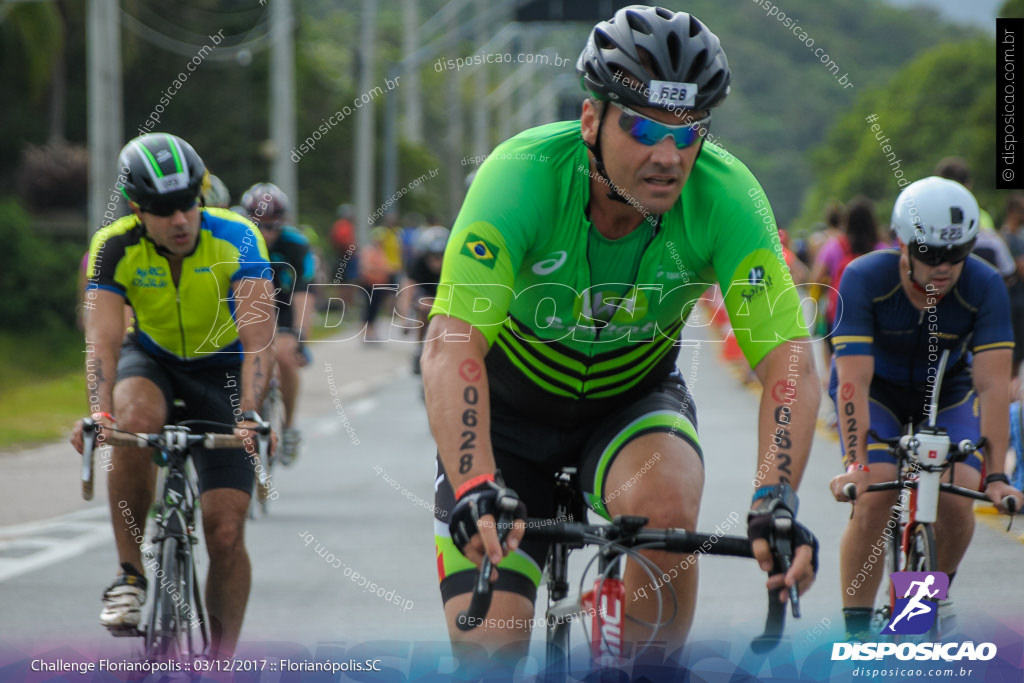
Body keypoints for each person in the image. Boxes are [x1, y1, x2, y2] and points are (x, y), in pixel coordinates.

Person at [422, 5, 820, 668]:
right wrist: (472, 481)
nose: (668, 155)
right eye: (641, 127)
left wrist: (773, 496)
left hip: (629, 403)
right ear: (590, 119)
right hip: (508, 418)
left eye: (688, 133)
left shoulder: (727, 196)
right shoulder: (520, 173)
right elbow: (451, 341)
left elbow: (788, 360)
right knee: (488, 654)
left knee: (667, 505)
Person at [70, 133, 276, 658]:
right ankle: (129, 575)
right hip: (153, 359)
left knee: (225, 531)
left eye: (188, 203)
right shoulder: (112, 246)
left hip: (224, 369)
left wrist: (250, 414)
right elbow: (103, 342)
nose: (180, 220)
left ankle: (220, 663)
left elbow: (258, 341)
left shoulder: (240, 236)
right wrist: (99, 412)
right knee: (131, 419)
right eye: (163, 210)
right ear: (137, 210)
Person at [828, 177, 1024, 641]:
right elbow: (852, 379)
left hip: (946, 390)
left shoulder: (984, 283)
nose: (944, 267)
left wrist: (997, 476)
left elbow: (994, 384)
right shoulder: (863, 277)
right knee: (874, 497)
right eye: (930, 253)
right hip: (877, 391)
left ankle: (919, 602)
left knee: (960, 500)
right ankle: (856, 633)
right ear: (903, 244)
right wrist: (856, 465)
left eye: (956, 255)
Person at [240, 183, 314, 465]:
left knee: (283, 354)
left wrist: (299, 337)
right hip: (248, 306)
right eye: (259, 226)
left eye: (273, 227)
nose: (266, 234)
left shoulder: (296, 244)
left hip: (284, 307)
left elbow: (303, 295)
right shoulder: (236, 239)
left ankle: (290, 423)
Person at [403, 225, 448, 374]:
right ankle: (420, 347)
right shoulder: (419, 265)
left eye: (440, 256)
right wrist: (405, 318)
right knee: (424, 307)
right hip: (426, 296)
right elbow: (407, 290)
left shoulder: (453, 264)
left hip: (446, 296)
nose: (437, 261)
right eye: (433, 256)